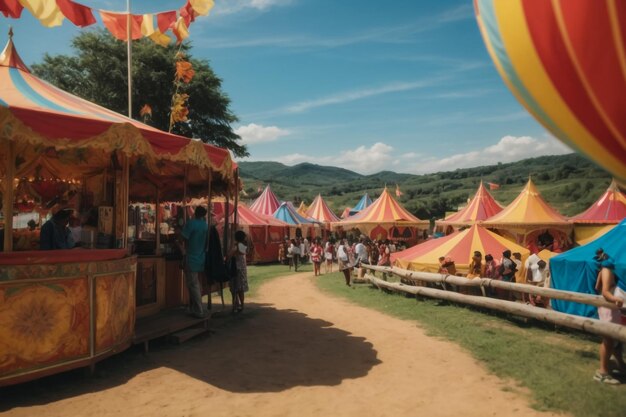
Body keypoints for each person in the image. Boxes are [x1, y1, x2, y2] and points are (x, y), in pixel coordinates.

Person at [593, 253, 626, 385]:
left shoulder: (608, 270)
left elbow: (596, 287)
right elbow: (604, 291)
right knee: (609, 339)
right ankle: (602, 372)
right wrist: (614, 297)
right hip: (609, 307)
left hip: (612, 307)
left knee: (615, 340)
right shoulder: (607, 269)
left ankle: (621, 366)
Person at [178, 206, 208, 318]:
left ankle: (199, 309)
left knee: (193, 284)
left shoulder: (191, 224)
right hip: (201, 257)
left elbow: (182, 238)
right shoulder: (204, 225)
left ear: (195, 212)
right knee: (195, 284)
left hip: (191, 257)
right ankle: (194, 308)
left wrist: (178, 236)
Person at [229, 230, 249, 313]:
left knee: (234, 288)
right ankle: (241, 305)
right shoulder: (243, 246)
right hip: (242, 270)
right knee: (240, 289)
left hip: (236, 269)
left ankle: (235, 305)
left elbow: (230, 255)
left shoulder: (236, 246)